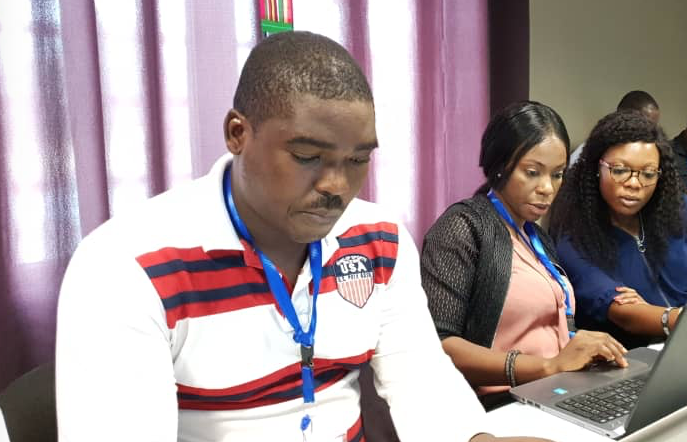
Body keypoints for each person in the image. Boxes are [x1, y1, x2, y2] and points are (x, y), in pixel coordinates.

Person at [55, 31, 548, 442]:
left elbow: (421, 377)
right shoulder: (128, 264)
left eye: (357, 160)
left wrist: (477, 439)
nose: (337, 186)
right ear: (237, 133)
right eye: (308, 156)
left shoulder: (378, 240)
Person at [421, 101, 629, 408]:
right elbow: (439, 344)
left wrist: (585, 347)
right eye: (532, 172)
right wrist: (547, 367)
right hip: (497, 405)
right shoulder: (463, 227)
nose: (547, 188)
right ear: (499, 166)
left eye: (557, 175)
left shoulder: (536, 236)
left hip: (553, 391)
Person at [549, 110, 687, 349]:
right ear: (596, 168)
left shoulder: (681, 210)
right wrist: (684, 319)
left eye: (648, 174)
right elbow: (624, 313)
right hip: (631, 361)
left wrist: (680, 318)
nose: (634, 183)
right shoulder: (575, 235)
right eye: (619, 170)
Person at [569, 90, 661, 166]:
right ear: (622, 116)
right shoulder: (589, 153)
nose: (650, 132)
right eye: (644, 125)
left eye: (653, 127)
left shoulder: (650, 154)